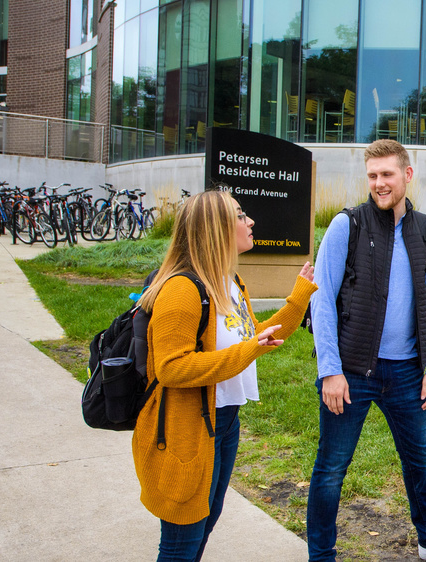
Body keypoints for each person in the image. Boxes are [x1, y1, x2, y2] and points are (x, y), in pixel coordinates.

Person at [307, 140, 426, 562]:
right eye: (372, 176)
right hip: (351, 374)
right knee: (331, 469)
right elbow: (321, 300)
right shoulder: (346, 225)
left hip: (406, 373)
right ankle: (321, 555)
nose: (379, 183)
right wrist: (330, 370)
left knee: (419, 462)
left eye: (387, 174)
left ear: (407, 174)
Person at [132, 189, 317, 562]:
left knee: (206, 524)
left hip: (224, 421)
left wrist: (298, 298)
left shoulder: (230, 283)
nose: (250, 222)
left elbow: (255, 336)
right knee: (181, 542)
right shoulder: (181, 290)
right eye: (240, 215)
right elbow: (171, 367)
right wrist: (250, 349)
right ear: (215, 229)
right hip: (186, 428)